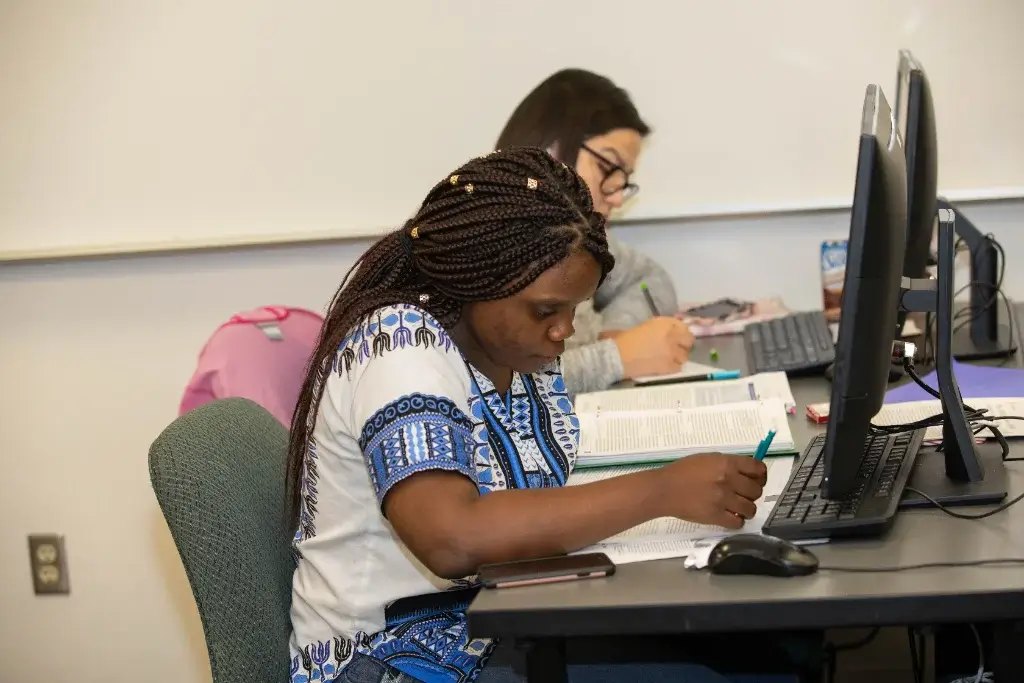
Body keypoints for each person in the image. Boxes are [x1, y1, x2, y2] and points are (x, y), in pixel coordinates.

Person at [286, 148, 769, 683]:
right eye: (546, 311)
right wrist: (661, 491)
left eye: (574, 309)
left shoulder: (516, 351)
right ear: (476, 281)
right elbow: (453, 539)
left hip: (499, 621)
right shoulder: (399, 347)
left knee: (752, 654)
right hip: (393, 659)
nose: (563, 330)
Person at [496, 69, 694, 397]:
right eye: (608, 168)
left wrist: (615, 333)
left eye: (624, 178)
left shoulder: (574, 233)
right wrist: (617, 358)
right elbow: (496, 391)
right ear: (550, 147)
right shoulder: (487, 245)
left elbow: (647, 279)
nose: (616, 194)